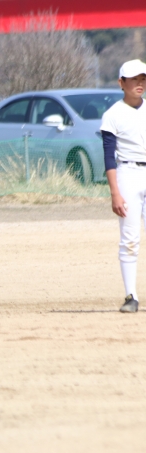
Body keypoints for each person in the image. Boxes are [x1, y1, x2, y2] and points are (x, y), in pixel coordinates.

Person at [100, 59, 146, 313]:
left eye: (143, 79)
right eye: (134, 79)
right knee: (130, 239)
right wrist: (115, 192)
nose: (140, 83)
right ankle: (131, 296)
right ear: (121, 82)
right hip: (128, 174)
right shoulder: (113, 115)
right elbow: (109, 156)